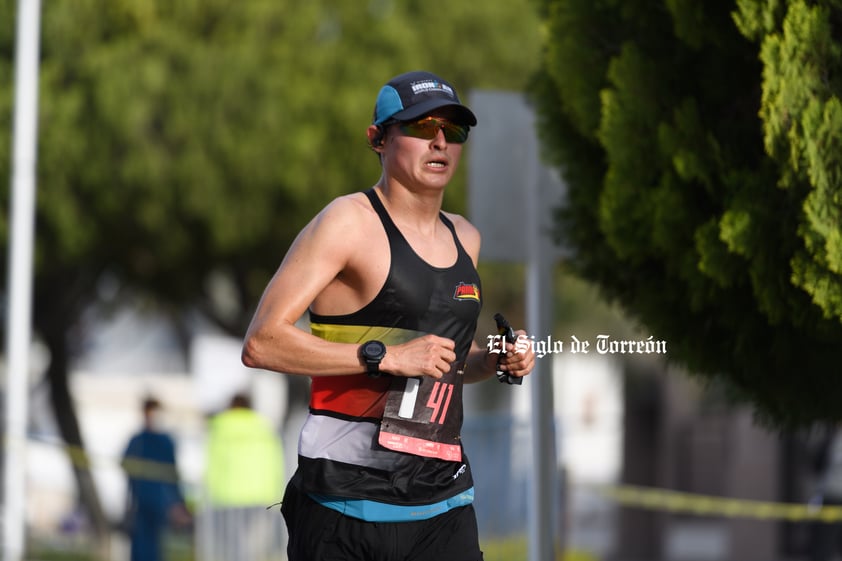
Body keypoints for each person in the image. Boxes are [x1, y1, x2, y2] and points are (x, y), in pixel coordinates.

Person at [241, 70, 536, 561]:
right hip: (344, 505)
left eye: (454, 131)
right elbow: (262, 343)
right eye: (422, 128)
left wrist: (495, 360)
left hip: (443, 505)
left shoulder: (466, 237)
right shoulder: (347, 222)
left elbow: (441, 366)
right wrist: (385, 357)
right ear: (379, 139)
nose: (440, 143)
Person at [201, 392, 286, 561]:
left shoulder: (219, 426)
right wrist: (278, 491)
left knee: (232, 546)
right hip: (261, 494)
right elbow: (275, 459)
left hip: (227, 494)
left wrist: (206, 491)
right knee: (256, 545)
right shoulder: (263, 426)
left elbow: (212, 461)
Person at [121, 396, 191, 561]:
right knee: (140, 547)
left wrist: (179, 503)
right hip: (141, 502)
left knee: (158, 547)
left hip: (161, 503)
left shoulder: (165, 441)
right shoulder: (137, 440)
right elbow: (127, 470)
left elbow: (172, 473)